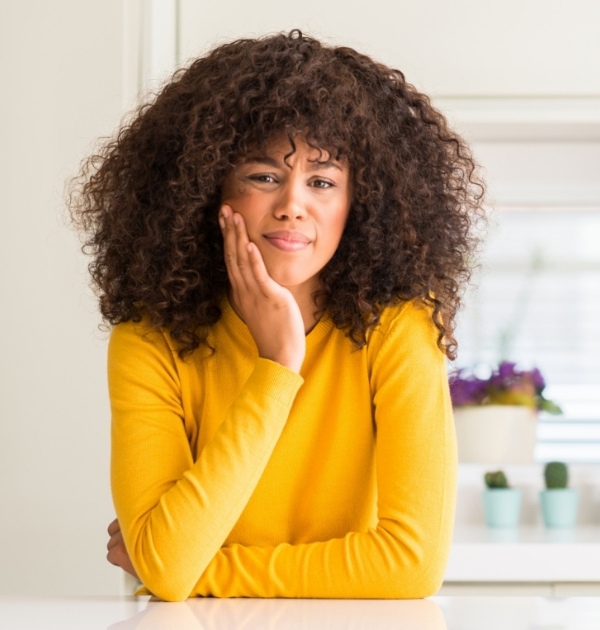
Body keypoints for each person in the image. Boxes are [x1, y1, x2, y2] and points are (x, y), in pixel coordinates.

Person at [68, 29, 485, 602]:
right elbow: (166, 571)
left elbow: (411, 566)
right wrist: (277, 366)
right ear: (204, 187)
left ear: (357, 205)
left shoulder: (400, 330)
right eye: (264, 176)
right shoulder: (149, 341)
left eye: (322, 182)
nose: (292, 204)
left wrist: (197, 570)